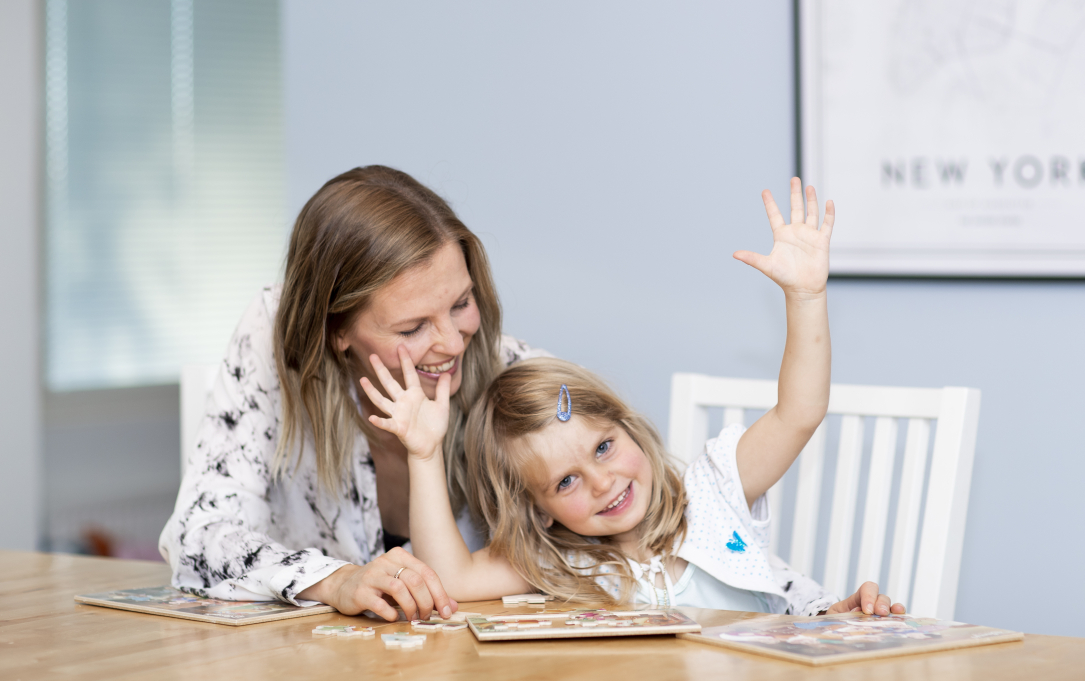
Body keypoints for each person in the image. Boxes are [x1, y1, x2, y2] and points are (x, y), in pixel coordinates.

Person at [359, 178, 904, 616]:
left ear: (627, 426)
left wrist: (806, 296)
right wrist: (425, 453)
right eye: (565, 482)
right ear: (540, 513)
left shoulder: (715, 496)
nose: (603, 483)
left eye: (602, 448)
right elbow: (449, 577)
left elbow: (800, 412)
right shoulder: (558, 564)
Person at [159, 165, 549, 621]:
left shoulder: (519, 380)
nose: (452, 341)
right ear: (335, 329)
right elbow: (196, 536)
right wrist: (337, 580)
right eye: (413, 326)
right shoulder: (275, 330)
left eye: (461, 303)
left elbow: (617, 528)